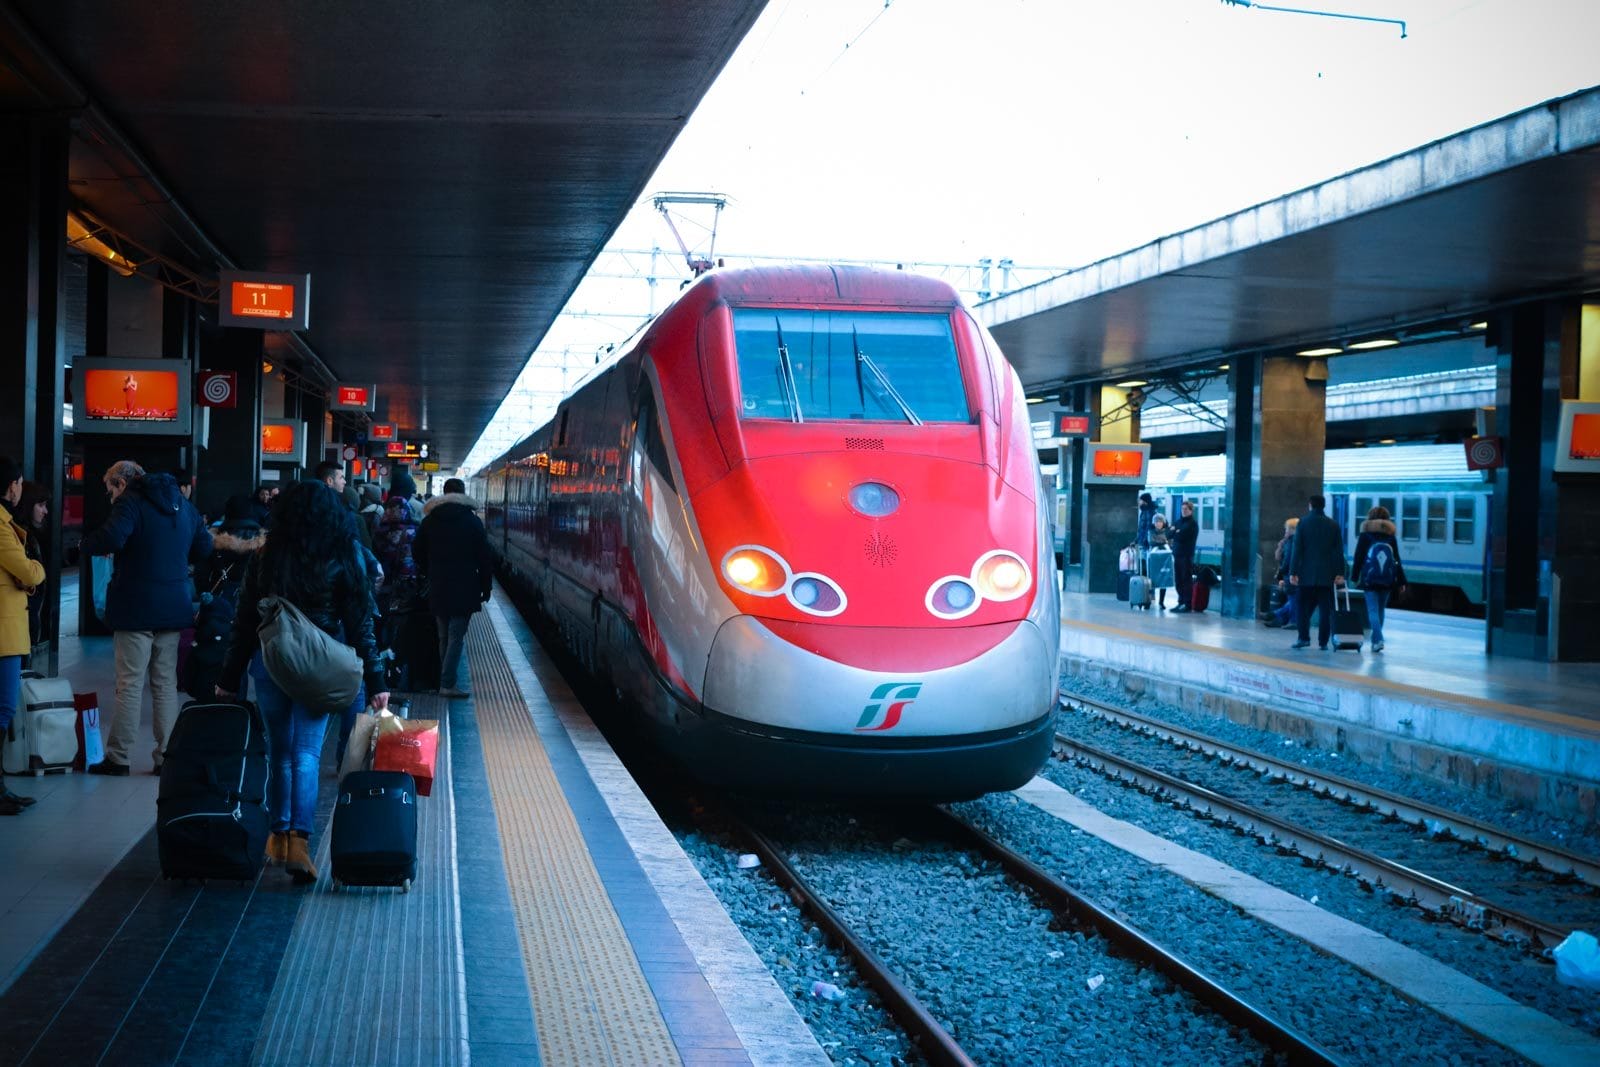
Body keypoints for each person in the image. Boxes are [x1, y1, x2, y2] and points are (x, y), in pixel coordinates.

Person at [215, 481, 388, 883]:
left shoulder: (266, 556)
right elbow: (361, 625)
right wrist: (377, 679)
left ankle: (277, 837)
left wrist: (228, 677)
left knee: (280, 754)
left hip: (271, 664)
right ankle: (300, 843)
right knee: (307, 755)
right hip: (320, 670)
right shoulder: (345, 554)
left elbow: (243, 622)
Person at [80, 462, 212, 775]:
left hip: (136, 608)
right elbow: (205, 545)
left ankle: (118, 757)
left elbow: (112, 538)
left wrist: (86, 544)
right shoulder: (183, 503)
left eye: (110, 489)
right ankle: (166, 758)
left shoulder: (131, 502)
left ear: (121, 483)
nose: (110, 496)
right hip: (173, 606)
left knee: (129, 684)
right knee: (165, 684)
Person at [413, 478, 494, 698]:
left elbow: (416, 551)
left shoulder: (430, 521)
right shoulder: (472, 521)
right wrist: (486, 587)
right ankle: (447, 684)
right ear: (463, 493)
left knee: (444, 636)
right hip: (465, 585)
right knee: (456, 636)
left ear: (444, 493)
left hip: (438, 583)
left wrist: (429, 568)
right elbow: (484, 557)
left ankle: (445, 681)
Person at [184, 496, 263, 701]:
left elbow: (201, 573)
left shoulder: (214, 540)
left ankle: (213, 703)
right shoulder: (262, 544)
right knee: (245, 656)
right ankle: (240, 705)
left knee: (218, 653)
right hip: (252, 608)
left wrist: (208, 595)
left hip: (218, 604)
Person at [0, 459, 46, 814]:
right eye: (17, 483)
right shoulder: (1, 528)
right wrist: (35, 571)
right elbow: (28, 571)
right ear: (11, 486)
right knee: (2, 710)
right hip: (4, 633)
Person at [1288, 493, 1346, 650]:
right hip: (1327, 576)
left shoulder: (1303, 523)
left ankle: (1303, 638)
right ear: (1324, 506)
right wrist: (1340, 572)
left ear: (1310, 505)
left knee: (1301, 606)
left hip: (1305, 575)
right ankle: (1323, 642)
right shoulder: (1333, 525)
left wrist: (1292, 572)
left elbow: (1297, 549)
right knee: (1325, 611)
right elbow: (1338, 551)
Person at [1351, 505, 1406, 653]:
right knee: (1381, 610)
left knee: (1373, 610)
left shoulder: (1365, 535)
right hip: (1387, 580)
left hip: (1370, 579)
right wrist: (1401, 581)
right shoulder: (1390, 537)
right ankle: (1377, 640)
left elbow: (1358, 558)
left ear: (1370, 518)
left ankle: (1378, 639)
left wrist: (1355, 576)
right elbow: (1396, 560)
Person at [14, 482, 50, 661]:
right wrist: (39, 572)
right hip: (19, 624)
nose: (45, 511)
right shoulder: (19, 536)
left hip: (26, 622)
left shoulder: (28, 535)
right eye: (41, 505)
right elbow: (29, 576)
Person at [1262, 517, 1300, 628]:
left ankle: (1279, 616)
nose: (1285, 532)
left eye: (1287, 529)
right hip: (1290, 575)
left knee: (1293, 599)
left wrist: (1283, 570)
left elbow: (1288, 559)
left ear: (1293, 529)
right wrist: (1280, 545)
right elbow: (1278, 557)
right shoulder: (1288, 542)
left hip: (1290, 574)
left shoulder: (1293, 542)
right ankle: (1278, 618)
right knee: (1293, 600)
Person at [1169, 499, 1200, 613]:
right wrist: (1176, 531)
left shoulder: (1192, 524)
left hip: (1186, 556)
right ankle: (1180, 601)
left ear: (1191, 510)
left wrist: (1176, 532)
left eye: (1186, 509)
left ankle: (1187, 604)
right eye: (1182, 509)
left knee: (1186, 579)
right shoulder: (1178, 522)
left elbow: (1181, 537)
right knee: (1178, 580)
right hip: (1177, 555)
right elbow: (1169, 534)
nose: (1183, 511)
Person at [1148, 513, 1173, 609]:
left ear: (1164, 522)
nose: (1158, 524)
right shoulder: (1151, 531)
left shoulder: (1167, 532)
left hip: (1164, 558)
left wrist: (1161, 543)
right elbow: (1152, 542)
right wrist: (1163, 542)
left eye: (1160, 522)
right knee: (1152, 580)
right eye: (1156, 522)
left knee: (1164, 579)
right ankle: (1149, 600)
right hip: (1154, 559)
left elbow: (1170, 542)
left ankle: (1161, 602)